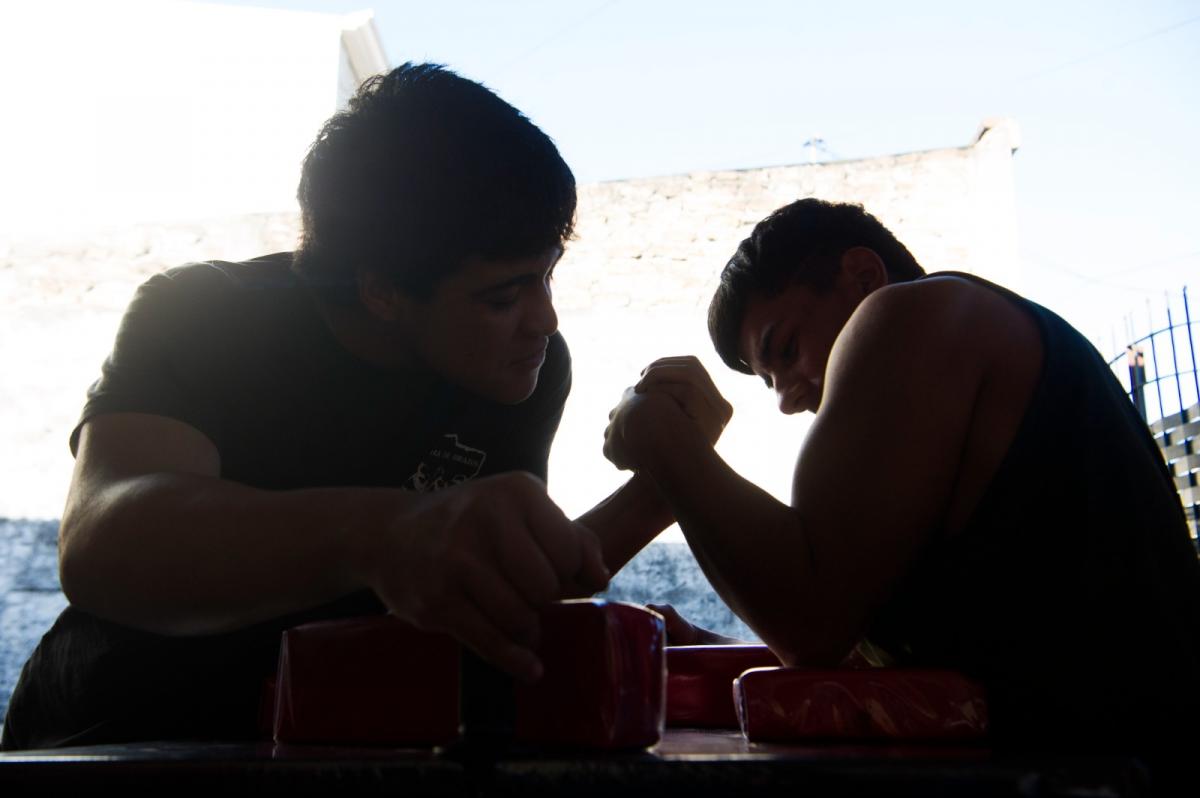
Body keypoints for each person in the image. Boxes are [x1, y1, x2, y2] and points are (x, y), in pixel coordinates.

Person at [1, 63, 672, 750]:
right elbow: (102, 546)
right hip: (112, 742)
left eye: (548, 274)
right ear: (382, 291)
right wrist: (380, 533)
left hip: (327, 744)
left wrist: (667, 486)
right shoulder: (206, 314)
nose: (545, 320)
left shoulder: (516, 368)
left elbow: (490, 590)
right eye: (502, 297)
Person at [604, 198, 1200, 755]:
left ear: (863, 278)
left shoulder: (914, 312)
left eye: (785, 350)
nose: (785, 399)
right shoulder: (972, 360)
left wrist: (659, 434)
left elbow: (812, 620)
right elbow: (925, 673)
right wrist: (724, 655)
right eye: (768, 380)